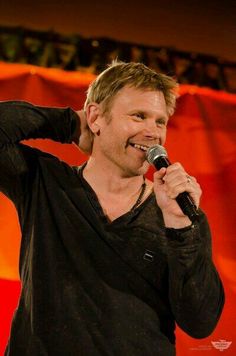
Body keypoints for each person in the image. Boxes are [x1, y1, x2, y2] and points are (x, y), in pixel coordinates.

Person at [0, 61, 224, 356]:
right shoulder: (46, 183)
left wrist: (181, 228)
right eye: (138, 116)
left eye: (160, 121)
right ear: (96, 117)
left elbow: (201, 322)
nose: (152, 132)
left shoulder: (179, 215)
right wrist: (70, 123)